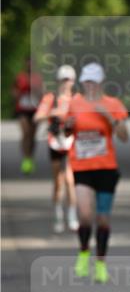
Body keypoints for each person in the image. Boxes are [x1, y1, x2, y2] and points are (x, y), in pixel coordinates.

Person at [65, 62, 129, 284]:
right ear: (82, 82)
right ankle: (83, 252)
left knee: (102, 219)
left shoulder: (112, 104)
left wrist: (109, 117)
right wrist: (67, 126)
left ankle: (100, 263)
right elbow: (62, 130)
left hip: (106, 168)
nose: (89, 85)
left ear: (101, 82)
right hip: (82, 167)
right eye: (86, 81)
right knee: (84, 215)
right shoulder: (74, 103)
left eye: (93, 81)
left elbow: (124, 136)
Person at [34, 64, 79, 233]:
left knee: (70, 180)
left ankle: (72, 216)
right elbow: (37, 117)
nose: (66, 83)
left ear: (73, 81)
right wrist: (54, 113)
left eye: (69, 80)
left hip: (71, 143)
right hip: (55, 143)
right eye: (63, 80)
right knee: (58, 182)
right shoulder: (50, 98)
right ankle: (58, 215)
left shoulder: (77, 98)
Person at [13, 58, 43, 174]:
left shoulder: (38, 78)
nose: (30, 65)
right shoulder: (20, 77)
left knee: (32, 135)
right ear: (25, 64)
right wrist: (18, 95)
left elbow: (42, 93)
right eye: (28, 63)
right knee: (26, 133)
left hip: (35, 110)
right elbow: (14, 90)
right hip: (22, 110)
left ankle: (30, 156)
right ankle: (26, 158)